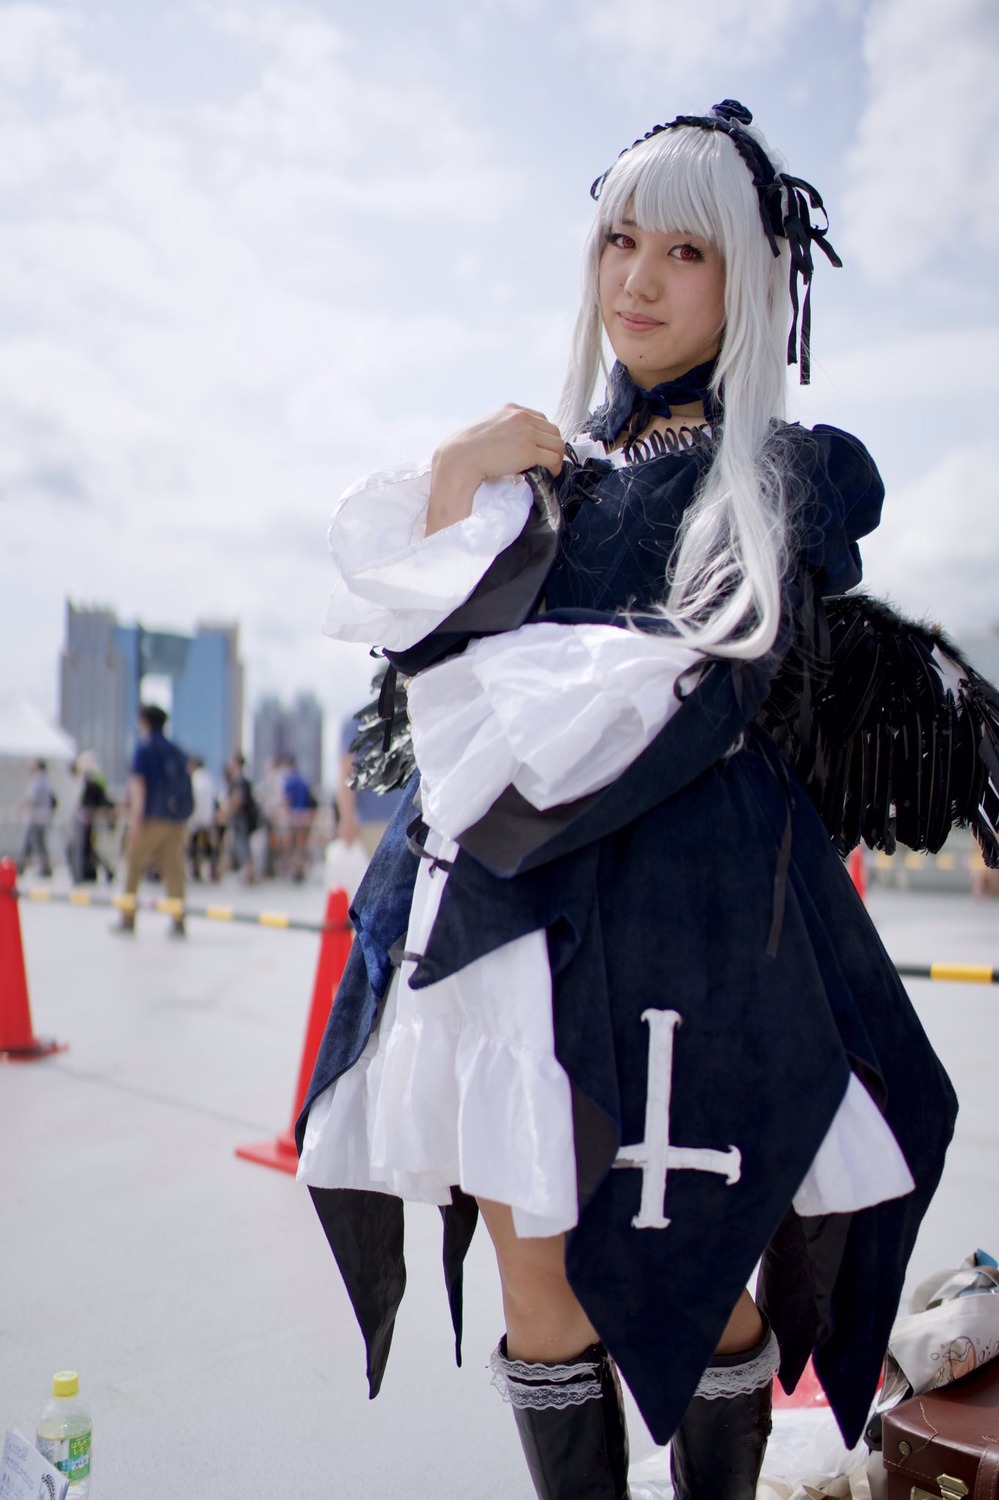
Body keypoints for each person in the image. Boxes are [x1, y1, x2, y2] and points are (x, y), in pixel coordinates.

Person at [296, 102, 959, 1500]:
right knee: (535, 1280)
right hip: (506, 934)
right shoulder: (545, 468)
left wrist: (504, 675)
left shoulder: (776, 475)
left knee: (701, 1274)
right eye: (616, 240)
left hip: (691, 938)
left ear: (746, 281)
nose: (636, 282)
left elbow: (686, 687)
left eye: (682, 252)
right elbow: (421, 656)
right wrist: (461, 473)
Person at [115, 704, 192, 937]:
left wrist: (135, 820)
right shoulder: (177, 751)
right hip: (176, 820)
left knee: (133, 864)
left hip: (150, 819)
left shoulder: (144, 748)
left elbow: (139, 786)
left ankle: (128, 918)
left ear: (144, 722)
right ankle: (178, 920)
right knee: (173, 870)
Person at [336, 715, 405, 858]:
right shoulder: (357, 722)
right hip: (373, 821)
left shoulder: (404, 713)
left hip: (404, 818)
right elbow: (347, 771)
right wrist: (347, 818)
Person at [69, 751, 115, 884]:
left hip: (93, 821)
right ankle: (92, 872)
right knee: (90, 849)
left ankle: (99, 872)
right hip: (90, 820)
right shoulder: (91, 782)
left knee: (92, 849)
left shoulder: (93, 783)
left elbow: (98, 801)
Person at [223, 753, 259, 884]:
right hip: (242, 819)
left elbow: (238, 799)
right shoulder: (243, 780)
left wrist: (226, 813)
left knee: (243, 848)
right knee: (238, 847)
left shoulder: (239, 781)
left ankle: (250, 876)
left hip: (240, 819)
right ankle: (248, 875)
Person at [17, 759, 55, 878]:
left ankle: (20, 867)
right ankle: (45, 868)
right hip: (41, 818)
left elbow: (31, 797)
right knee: (39, 844)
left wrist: (18, 808)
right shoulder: (44, 779)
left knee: (30, 843)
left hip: (37, 818)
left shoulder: (39, 779)